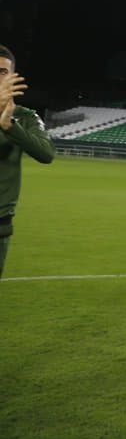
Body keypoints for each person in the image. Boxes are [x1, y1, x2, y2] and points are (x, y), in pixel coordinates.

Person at [0, 45, 55, 278]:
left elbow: (46, 153)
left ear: (13, 77)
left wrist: (9, 125)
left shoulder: (25, 116)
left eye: (2, 72)